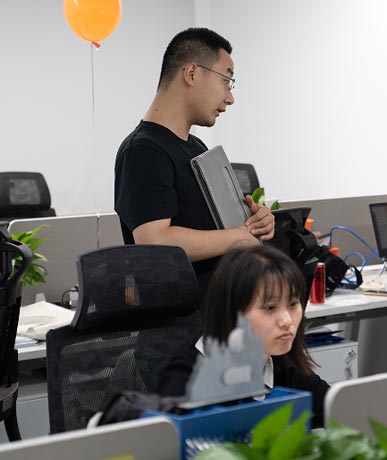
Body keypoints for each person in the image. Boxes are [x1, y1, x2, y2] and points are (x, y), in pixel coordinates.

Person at [114, 27, 275, 308]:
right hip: (177, 323)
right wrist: (238, 237)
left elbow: (221, 229)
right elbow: (155, 241)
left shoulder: (197, 148)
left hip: (217, 313)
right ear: (191, 73)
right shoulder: (143, 150)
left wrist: (254, 222)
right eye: (226, 81)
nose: (230, 98)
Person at [158, 245, 330, 427]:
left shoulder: (283, 364)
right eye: (270, 308)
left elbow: (337, 411)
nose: (287, 320)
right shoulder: (185, 384)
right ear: (233, 312)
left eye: (293, 304)